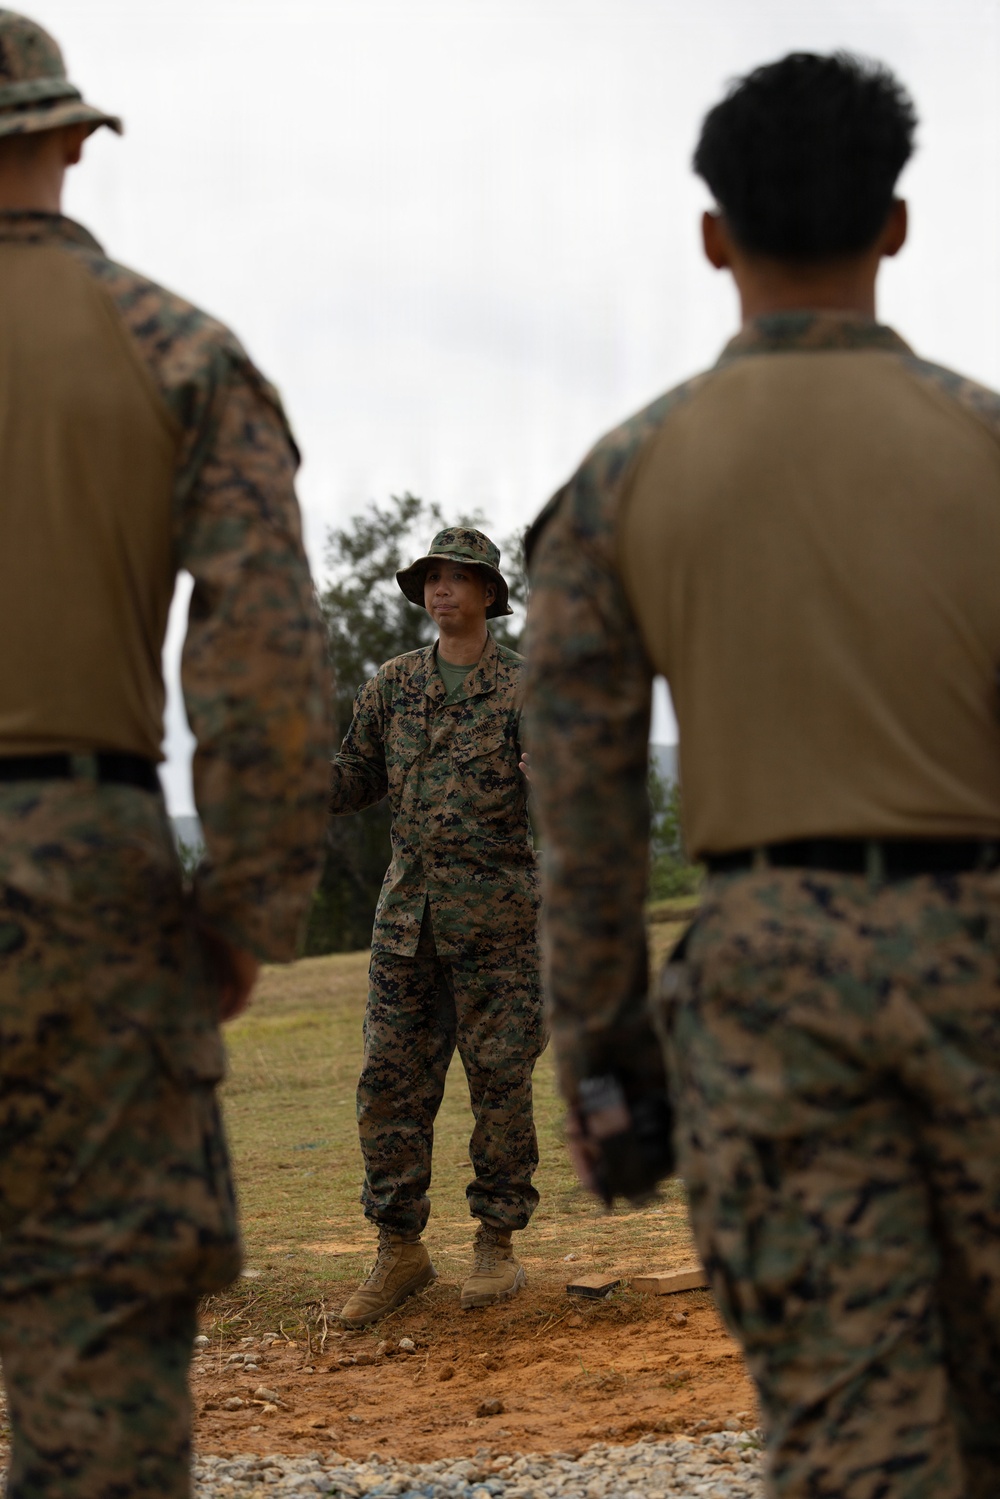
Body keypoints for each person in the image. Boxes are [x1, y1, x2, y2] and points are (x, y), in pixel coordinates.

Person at [525, 49, 1000, 1499]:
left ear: (713, 236)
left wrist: (608, 1067)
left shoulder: (622, 480)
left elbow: (587, 827)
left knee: (850, 1432)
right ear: (896, 224)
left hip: (765, 988)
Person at [0, 11, 331, 1497]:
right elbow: (263, 662)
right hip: (84, 895)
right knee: (99, 1392)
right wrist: (241, 910)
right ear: (71, 140)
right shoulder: (180, 354)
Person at [329, 528, 542, 1325]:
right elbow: (352, 780)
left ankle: (496, 1243)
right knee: (388, 1086)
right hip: (405, 928)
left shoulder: (525, 688)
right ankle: (399, 1250)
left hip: (497, 929)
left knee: (500, 1084)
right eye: (431, 577)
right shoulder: (392, 686)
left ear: (489, 593)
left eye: (459, 576)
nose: (442, 588)